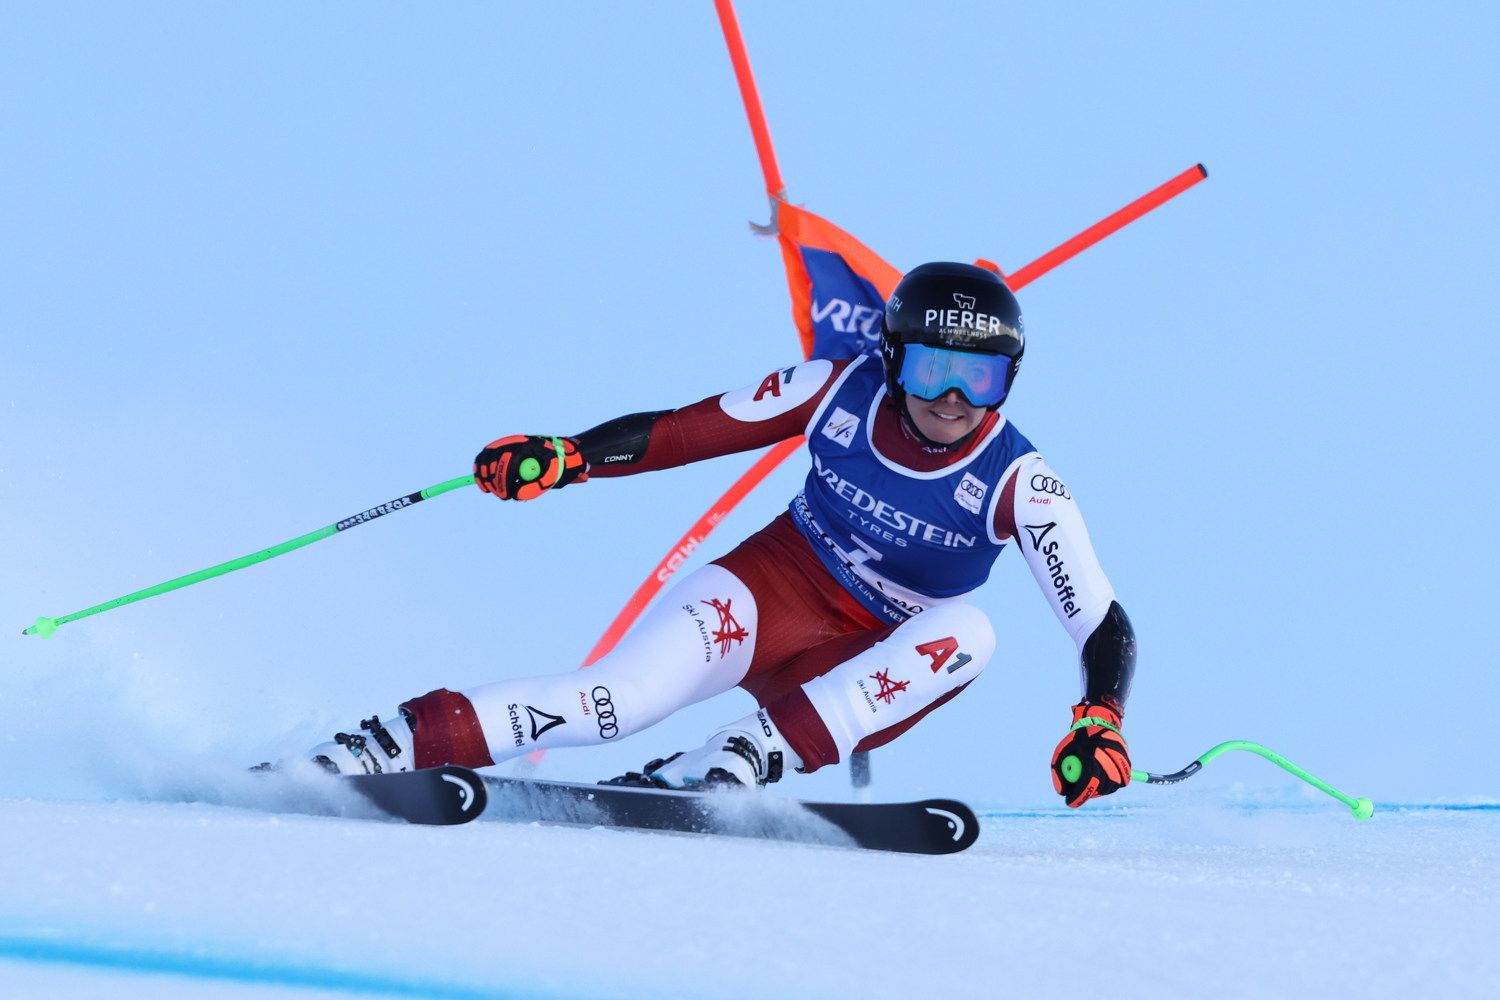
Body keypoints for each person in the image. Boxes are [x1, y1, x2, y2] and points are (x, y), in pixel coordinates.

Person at [307, 262, 1136, 808]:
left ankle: (736, 757)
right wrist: (569, 456)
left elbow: (1100, 622)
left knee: (972, 634)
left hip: (871, 659)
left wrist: (1102, 717)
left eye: (981, 378)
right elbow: (681, 433)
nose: (954, 397)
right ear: (891, 359)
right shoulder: (832, 390)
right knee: (616, 701)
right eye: (931, 369)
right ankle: (384, 746)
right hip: (770, 590)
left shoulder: (1023, 484)